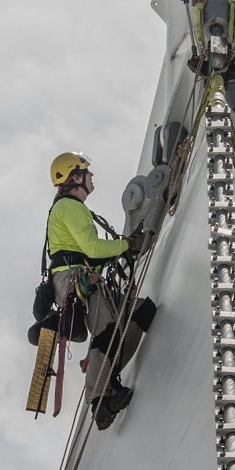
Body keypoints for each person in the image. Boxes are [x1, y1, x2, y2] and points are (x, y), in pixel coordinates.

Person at [46, 151, 157, 430]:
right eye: (86, 172)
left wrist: (123, 247)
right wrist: (128, 245)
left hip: (83, 275)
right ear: (76, 177)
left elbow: (93, 253)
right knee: (106, 330)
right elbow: (93, 250)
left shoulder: (72, 208)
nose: (92, 176)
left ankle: (103, 373)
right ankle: (100, 401)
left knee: (143, 312)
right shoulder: (68, 207)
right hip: (74, 279)